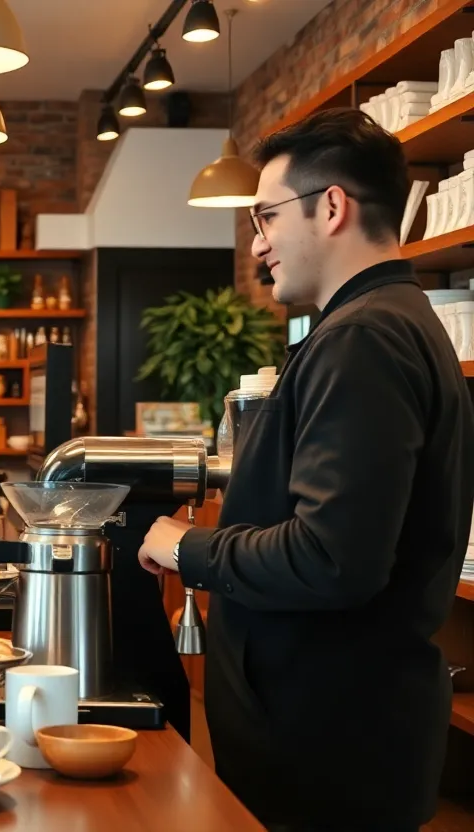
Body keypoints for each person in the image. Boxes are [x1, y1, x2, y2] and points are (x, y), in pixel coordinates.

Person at [137, 109, 474, 831]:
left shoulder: (365, 338)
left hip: (329, 751)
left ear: (331, 206)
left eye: (265, 217)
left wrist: (184, 547)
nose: (257, 244)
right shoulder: (384, 322)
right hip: (333, 737)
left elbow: (331, 558)